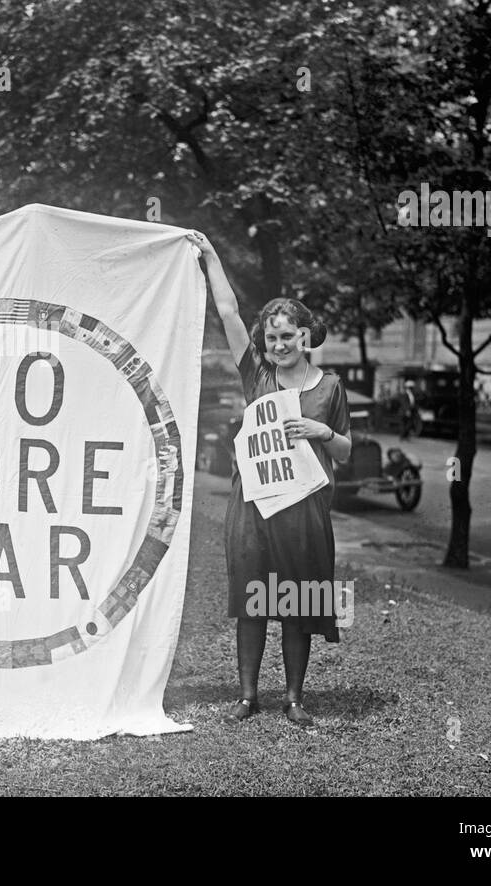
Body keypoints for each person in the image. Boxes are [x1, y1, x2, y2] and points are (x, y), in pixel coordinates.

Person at [186, 231, 351, 728]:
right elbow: (230, 313)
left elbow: (344, 450)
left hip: (304, 511)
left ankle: (295, 698)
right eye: (272, 337)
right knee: (253, 599)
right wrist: (212, 256)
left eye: (288, 336)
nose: (278, 345)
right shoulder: (256, 375)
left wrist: (322, 430)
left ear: (306, 336)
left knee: (297, 602)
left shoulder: (331, 388)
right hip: (254, 506)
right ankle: (248, 695)